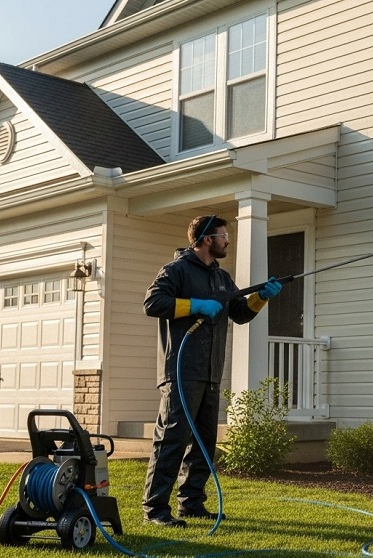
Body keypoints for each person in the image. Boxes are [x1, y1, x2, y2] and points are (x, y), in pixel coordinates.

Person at [141, 215, 282, 527]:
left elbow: (241, 314)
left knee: (204, 442)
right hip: (180, 370)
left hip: (210, 371)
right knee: (172, 439)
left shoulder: (221, 278)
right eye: (222, 235)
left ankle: (190, 504)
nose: (227, 240)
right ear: (206, 239)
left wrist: (261, 297)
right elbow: (153, 303)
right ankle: (155, 510)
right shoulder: (175, 270)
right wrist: (196, 306)